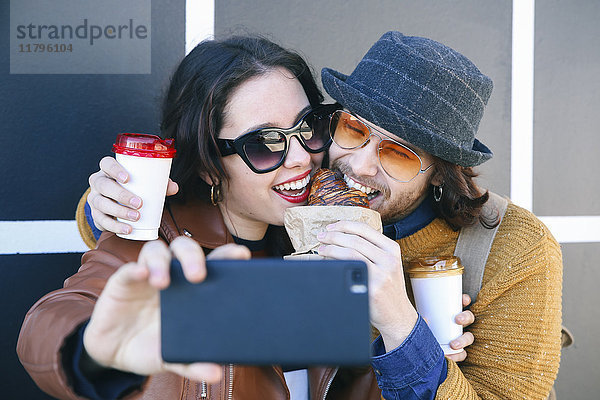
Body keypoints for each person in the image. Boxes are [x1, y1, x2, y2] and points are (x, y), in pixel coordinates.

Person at [79, 31, 564, 399]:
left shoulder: (514, 248)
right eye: (353, 129)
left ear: (440, 173)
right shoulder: (308, 192)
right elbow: (221, 186)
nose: (358, 165)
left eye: (397, 155)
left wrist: (401, 327)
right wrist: (111, 208)